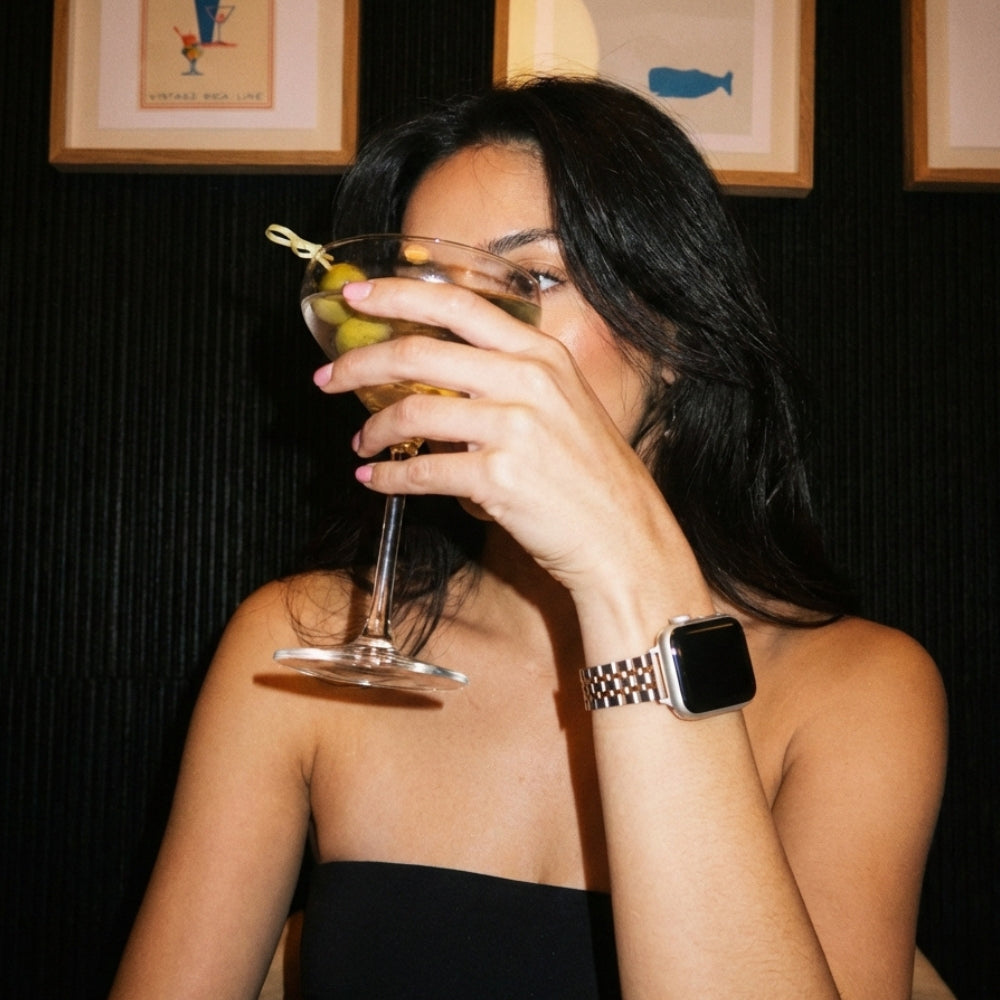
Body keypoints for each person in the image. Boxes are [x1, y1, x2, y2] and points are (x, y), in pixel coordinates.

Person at [109, 76, 947, 999]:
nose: (454, 340)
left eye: (531, 280)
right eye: (423, 291)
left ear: (671, 330)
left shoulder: (859, 689)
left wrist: (635, 580)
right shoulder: (302, 644)